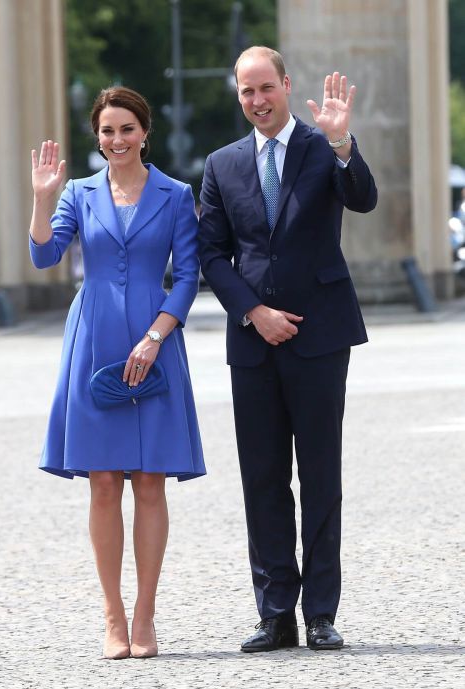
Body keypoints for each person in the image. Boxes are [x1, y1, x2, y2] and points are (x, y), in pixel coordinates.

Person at [198, 47, 377, 653]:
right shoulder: (221, 165)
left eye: (265, 88)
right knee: (263, 478)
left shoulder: (322, 146)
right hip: (253, 342)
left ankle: (321, 613)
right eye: (246, 92)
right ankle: (276, 612)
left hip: (322, 336)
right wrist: (254, 312)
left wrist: (343, 142)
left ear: (285, 85)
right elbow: (211, 254)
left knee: (321, 475)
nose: (256, 101)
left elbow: (363, 198)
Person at [29, 86, 205, 660]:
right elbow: (44, 256)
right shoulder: (77, 193)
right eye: (107, 131)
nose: (117, 140)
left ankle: (146, 616)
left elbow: (186, 278)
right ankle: (112, 617)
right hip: (93, 340)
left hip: (155, 341)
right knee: (103, 483)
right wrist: (41, 199)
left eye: (126, 128)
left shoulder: (177, 195)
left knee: (150, 480)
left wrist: (157, 336)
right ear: (97, 137)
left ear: (145, 131)